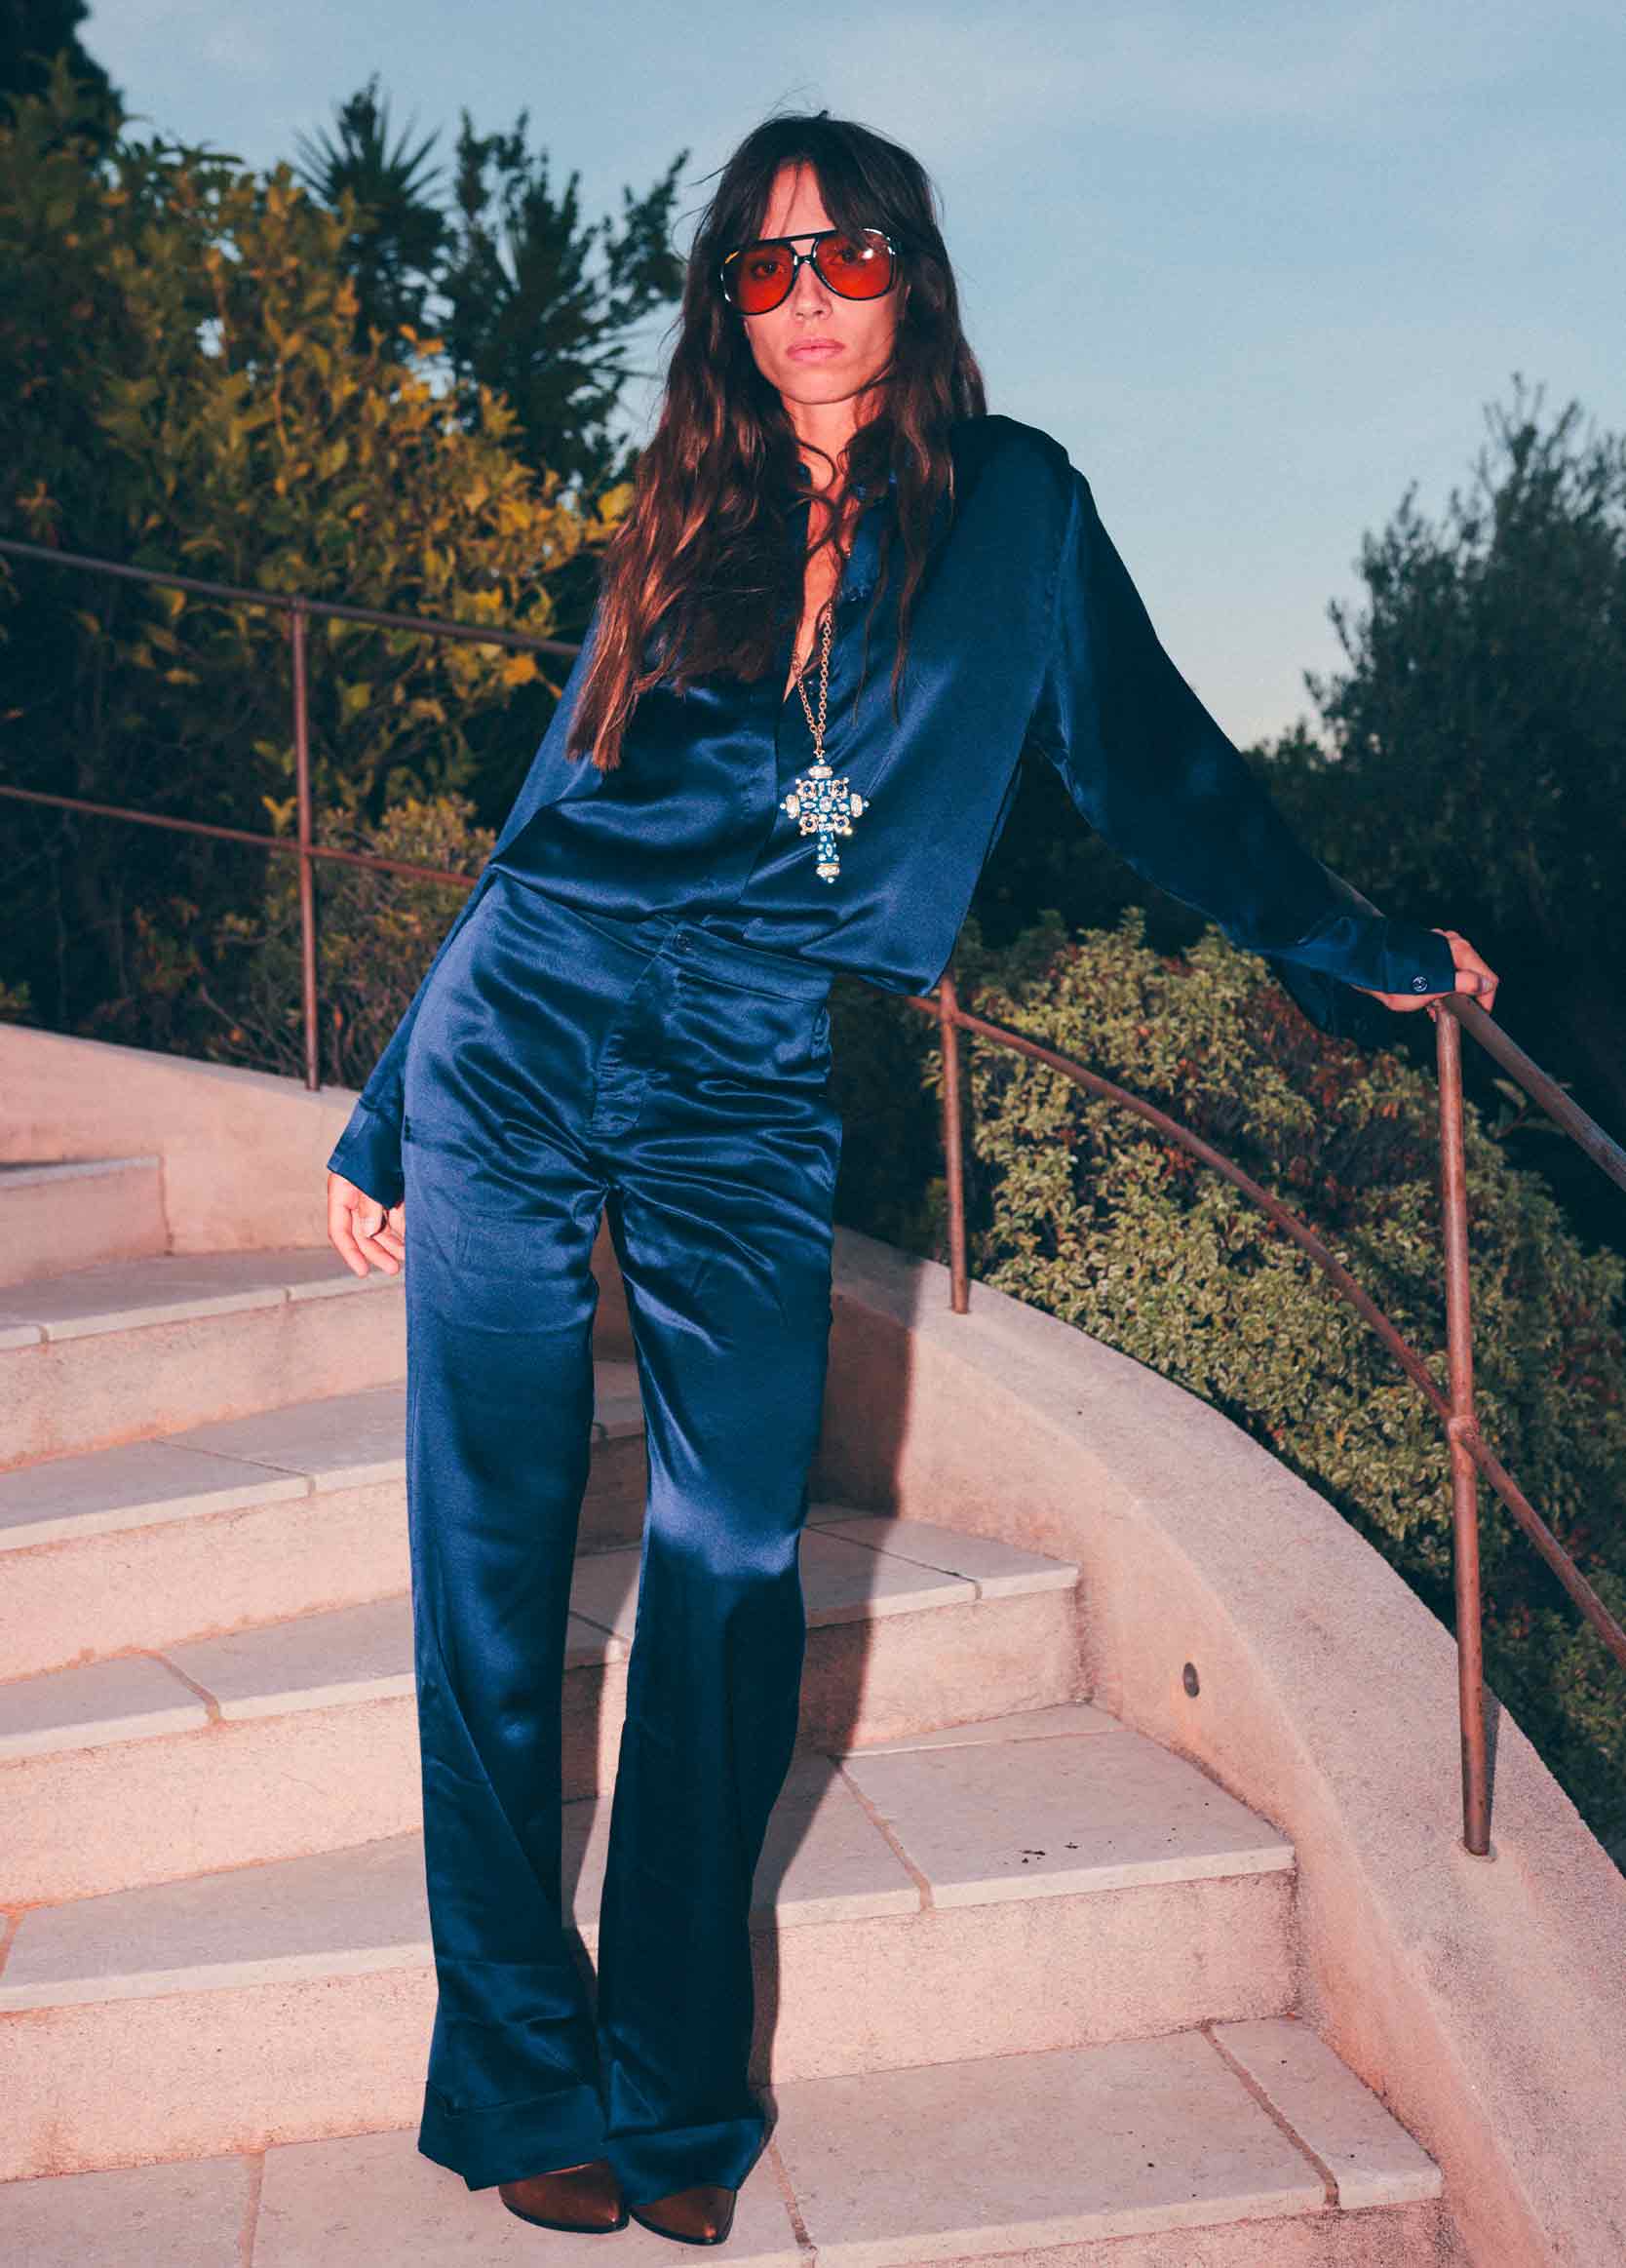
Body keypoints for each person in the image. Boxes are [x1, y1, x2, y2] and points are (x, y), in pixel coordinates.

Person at [326, 111, 1498, 2247]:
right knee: (486, 1564)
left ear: (909, 276)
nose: (806, 304)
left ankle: (677, 2086)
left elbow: (1159, 765)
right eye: (763, 270)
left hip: (750, 1062)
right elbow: (551, 797)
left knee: (728, 1550)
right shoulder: (685, 505)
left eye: (843, 258)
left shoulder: (1016, 508)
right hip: (527, 1022)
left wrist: (1357, 944)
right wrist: (396, 1093)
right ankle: (514, 2070)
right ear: (728, 305)